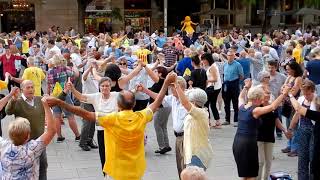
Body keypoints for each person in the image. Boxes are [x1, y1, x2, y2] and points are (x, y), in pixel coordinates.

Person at [45, 72, 177, 180]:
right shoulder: (141, 117)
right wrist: (165, 83)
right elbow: (157, 102)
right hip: (136, 171)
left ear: (118, 106)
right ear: (134, 104)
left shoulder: (111, 119)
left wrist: (59, 102)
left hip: (115, 172)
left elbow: (84, 113)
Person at [233, 79, 289, 180]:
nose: (263, 101)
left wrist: (246, 87)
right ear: (257, 98)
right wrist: (284, 94)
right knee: (251, 176)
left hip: (237, 143)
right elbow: (272, 106)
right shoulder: (255, 110)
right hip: (248, 144)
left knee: (245, 174)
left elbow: (240, 97)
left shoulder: (242, 107)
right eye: (261, 98)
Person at [0, 96, 55, 180]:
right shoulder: (32, 148)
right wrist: (46, 106)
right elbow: (51, 131)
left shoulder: (3, 146)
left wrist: (10, 96)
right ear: (28, 135)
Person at [5, 80, 48, 180]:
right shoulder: (18, 101)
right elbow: (8, 111)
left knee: (43, 165)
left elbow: (56, 101)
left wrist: (65, 92)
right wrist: (13, 99)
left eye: (32, 87)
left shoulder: (40, 99)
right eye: (28, 87)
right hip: (24, 142)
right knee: (27, 168)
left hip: (39, 141)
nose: (31, 89)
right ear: (22, 89)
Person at [175, 86, 213, 170]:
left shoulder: (200, 113)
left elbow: (185, 103)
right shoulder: (199, 112)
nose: (189, 101)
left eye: (190, 100)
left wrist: (176, 85)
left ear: (194, 102)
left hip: (197, 154)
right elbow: (185, 100)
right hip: (192, 153)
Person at [288, 80, 317, 180]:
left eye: (308, 94)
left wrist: (290, 95)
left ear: (313, 91)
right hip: (303, 130)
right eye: (304, 93)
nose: (305, 96)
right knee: (302, 159)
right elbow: (297, 114)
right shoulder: (301, 99)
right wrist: (290, 128)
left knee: (313, 158)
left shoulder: (317, 101)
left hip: (314, 132)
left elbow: (299, 109)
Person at [281, 61, 303, 157]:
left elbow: (293, 92)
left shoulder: (298, 78)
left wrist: (286, 90)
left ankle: (295, 148)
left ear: (294, 69)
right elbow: (282, 88)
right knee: (288, 125)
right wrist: (286, 90)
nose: (287, 71)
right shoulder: (289, 77)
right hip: (287, 104)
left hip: (293, 105)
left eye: (288, 69)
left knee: (294, 126)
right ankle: (289, 145)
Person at [222, 50, 244, 126]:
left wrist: (237, 83)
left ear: (234, 56)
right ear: (227, 56)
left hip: (234, 83)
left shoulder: (237, 64)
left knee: (235, 103)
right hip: (226, 84)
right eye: (228, 55)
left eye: (231, 55)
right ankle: (227, 119)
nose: (230, 57)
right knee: (226, 103)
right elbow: (224, 75)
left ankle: (236, 120)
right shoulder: (225, 64)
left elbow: (241, 75)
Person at [201, 53, 222, 128]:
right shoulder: (212, 66)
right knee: (212, 105)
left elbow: (215, 79)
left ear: (207, 59)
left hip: (212, 88)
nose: (203, 61)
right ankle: (217, 122)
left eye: (203, 60)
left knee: (206, 105)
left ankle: (208, 122)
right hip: (215, 88)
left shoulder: (212, 67)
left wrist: (206, 81)